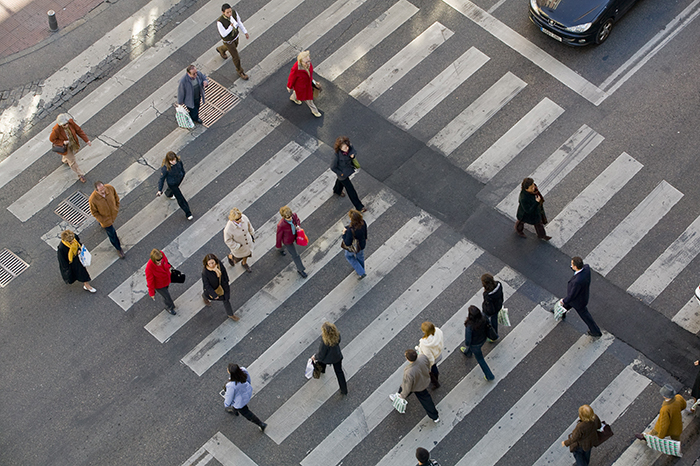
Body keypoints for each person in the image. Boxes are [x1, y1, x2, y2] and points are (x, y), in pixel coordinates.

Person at [390, 349, 439, 422]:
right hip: (425, 380)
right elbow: (428, 366)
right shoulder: (422, 357)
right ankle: (435, 417)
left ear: (408, 359)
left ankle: (398, 396)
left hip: (417, 387)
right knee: (426, 400)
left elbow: (407, 386)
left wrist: (402, 396)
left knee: (405, 388)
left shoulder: (409, 372)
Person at [560, 256, 602, 337]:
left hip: (578, 301)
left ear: (575, 267)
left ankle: (596, 331)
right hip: (582, 296)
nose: (571, 266)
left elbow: (572, 295)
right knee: (566, 305)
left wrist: (564, 300)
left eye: (572, 264)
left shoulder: (577, 282)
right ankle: (560, 312)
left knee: (585, 315)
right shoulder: (586, 268)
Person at [223, 363, 267, 432]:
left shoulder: (231, 385)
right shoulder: (243, 370)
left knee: (246, 412)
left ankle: (261, 424)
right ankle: (234, 410)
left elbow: (229, 397)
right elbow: (249, 380)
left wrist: (226, 404)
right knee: (237, 406)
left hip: (240, 401)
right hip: (247, 392)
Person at [49, 113, 91, 183]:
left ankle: (65, 160)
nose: (66, 125)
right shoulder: (56, 130)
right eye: (64, 125)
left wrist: (87, 140)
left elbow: (79, 131)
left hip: (72, 143)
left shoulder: (71, 122)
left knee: (68, 157)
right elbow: (52, 139)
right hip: (66, 146)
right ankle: (80, 175)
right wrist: (62, 142)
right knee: (72, 162)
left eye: (66, 123)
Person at [89, 181, 125, 259]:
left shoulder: (110, 188)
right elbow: (94, 212)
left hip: (112, 215)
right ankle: (118, 248)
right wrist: (102, 220)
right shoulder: (93, 199)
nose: (103, 191)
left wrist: (116, 207)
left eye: (103, 188)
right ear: (96, 190)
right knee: (112, 234)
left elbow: (116, 197)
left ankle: (101, 224)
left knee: (110, 230)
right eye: (101, 190)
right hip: (105, 220)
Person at [215, 3, 249, 80]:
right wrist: (231, 27)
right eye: (227, 12)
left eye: (230, 11)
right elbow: (223, 34)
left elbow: (239, 22)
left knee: (235, 46)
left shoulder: (234, 13)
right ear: (223, 12)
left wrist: (245, 32)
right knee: (236, 56)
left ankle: (221, 49)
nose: (230, 14)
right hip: (228, 41)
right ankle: (240, 71)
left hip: (235, 37)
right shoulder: (220, 22)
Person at [460, 305, 495, 381]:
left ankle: (490, 376)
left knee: (480, 359)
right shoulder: (484, 317)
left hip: (475, 344)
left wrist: (467, 344)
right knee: (472, 350)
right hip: (483, 339)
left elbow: (468, 340)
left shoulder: (470, 325)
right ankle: (468, 352)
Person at [332, 136, 366, 212]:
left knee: (340, 181)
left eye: (346, 147)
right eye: (344, 148)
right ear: (340, 148)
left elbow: (353, 150)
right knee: (351, 190)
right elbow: (333, 167)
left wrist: (352, 155)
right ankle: (359, 206)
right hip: (343, 174)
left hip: (347, 170)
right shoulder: (336, 156)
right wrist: (341, 174)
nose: (346, 149)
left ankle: (337, 190)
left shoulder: (349, 146)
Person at [312, 322, 348, 395]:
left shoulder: (325, 342)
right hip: (337, 357)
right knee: (339, 372)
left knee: (321, 362)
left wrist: (314, 357)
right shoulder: (337, 335)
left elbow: (321, 354)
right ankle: (344, 390)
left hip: (327, 358)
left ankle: (322, 371)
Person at [201, 253, 239, 321]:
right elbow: (207, 285)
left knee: (226, 299)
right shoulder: (205, 272)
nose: (212, 265)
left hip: (223, 286)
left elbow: (224, 272)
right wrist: (214, 295)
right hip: (214, 289)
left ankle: (230, 314)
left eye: (213, 263)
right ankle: (204, 297)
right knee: (206, 295)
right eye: (209, 263)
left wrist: (226, 281)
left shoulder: (219, 264)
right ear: (206, 264)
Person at [157, 151, 192, 220]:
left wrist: (182, 173)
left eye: (174, 160)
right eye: (171, 161)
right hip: (172, 184)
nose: (173, 162)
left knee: (171, 190)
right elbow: (161, 179)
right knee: (180, 198)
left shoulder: (178, 161)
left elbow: (181, 167)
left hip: (179, 179)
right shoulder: (165, 168)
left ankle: (168, 194)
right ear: (168, 161)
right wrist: (159, 190)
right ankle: (188, 212)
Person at [287, 50, 321, 117]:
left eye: (309, 60)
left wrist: (314, 82)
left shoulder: (308, 65)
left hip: (307, 85)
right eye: (306, 62)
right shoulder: (296, 68)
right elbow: (292, 78)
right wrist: (289, 86)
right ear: (301, 61)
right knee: (309, 100)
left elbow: (310, 76)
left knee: (296, 93)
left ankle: (293, 98)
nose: (308, 63)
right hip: (302, 87)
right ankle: (315, 111)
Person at [276, 206, 307, 278]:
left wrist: (298, 226)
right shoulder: (281, 225)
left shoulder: (294, 215)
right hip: (287, 241)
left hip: (295, 236)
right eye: (288, 217)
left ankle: (280, 249)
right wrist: (278, 245)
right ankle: (300, 269)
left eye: (290, 216)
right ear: (283, 217)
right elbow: (279, 236)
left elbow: (297, 220)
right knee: (295, 255)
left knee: (284, 247)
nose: (290, 218)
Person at [145, 249, 176, 315]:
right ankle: (169, 307)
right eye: (158, 262)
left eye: (160, 260)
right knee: (167, 296)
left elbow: (166, 262)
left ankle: (169, 305)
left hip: (166, 279)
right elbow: (150, 281)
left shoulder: (161, 254)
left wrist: (169, 267)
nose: (160, 263)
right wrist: (152, 293)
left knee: (166, 292)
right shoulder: (149, 268)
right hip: (159, 285)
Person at [224, 208, 255, 273]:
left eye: (240, 217)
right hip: (239, 248)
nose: (240, 219)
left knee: (247, 254)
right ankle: (230, 256)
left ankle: (244, 263)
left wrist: (252, 234)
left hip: (247, 243)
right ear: (232, 219)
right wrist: (236, 246)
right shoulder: (228, 229)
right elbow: (228, 240)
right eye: (237, 219)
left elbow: (249, 226)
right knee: (236, 259)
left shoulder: (244, 218)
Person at [342, 209, 367, 279]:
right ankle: (361, 269)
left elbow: (347, 243)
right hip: (361, 245)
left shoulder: (351, 230)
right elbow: (365, 231)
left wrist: (344, 234)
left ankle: (361, 272)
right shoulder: (363, 222)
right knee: (360, 257)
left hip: (354, 247)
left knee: (349, 256)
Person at [418, 322, 443, 389]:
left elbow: (430, 358)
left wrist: (429, 367)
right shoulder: (438, 331)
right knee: (434, 368)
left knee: (433, 370)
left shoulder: (425, 344)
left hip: (433, 359)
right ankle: (435, 377)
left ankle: (435, 382)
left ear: (424, 331)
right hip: (438, 354)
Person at [481, 273, 503, 341]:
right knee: (494, 320)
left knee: (483, 319)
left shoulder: (487, 295)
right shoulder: (498, 284)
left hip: (490, 311)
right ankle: (495, 333)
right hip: (498, 306)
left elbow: (489, 306)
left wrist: (486, 310)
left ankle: (488, 334)